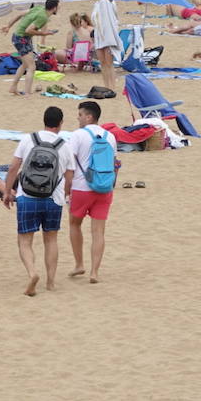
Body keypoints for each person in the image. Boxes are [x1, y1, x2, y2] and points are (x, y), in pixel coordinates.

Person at [3, 105, 75, 296]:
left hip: (27, 196)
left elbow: (13, 167)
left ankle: (32, 273)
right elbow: (69, 176)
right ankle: (50, 282)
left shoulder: (29, 139)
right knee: (51, 240)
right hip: (53, 198)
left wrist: (8, 191)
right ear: (60, 124)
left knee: (25, 240)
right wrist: (66, 196)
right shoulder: (64, 145)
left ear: (44, 121)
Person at [66, 100, 117, 284]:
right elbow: (114, 164)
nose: (78, 118)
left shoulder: (78, 135)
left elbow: (69, 165)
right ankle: (94, 271)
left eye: (80, 115)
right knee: (98, 231)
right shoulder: (110, 136)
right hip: (104, 187)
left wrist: (67, 189)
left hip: (82, 187)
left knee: (74, 224)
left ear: (89, 116)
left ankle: (79, 263)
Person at [8, 0, 61, 97]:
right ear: (54, 8)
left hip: (21, 37)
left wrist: (8, 26)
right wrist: (44, 34)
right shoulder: (43, 16)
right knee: (32, 66)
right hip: (21, 38)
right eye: (58, 6)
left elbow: (19, 14)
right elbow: (29, 30)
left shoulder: (39, 8)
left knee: (25, 64)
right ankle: (27, 92)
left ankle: (13, 87)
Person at [92, 0, 121, 92]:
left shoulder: (112, 5)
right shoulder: (96, 6)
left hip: (109, 38)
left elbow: (115, 19)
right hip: (99, 37)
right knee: (103, 64)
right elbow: (95, 20)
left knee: (109, 64)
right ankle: (106, 86)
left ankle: (112, 87)